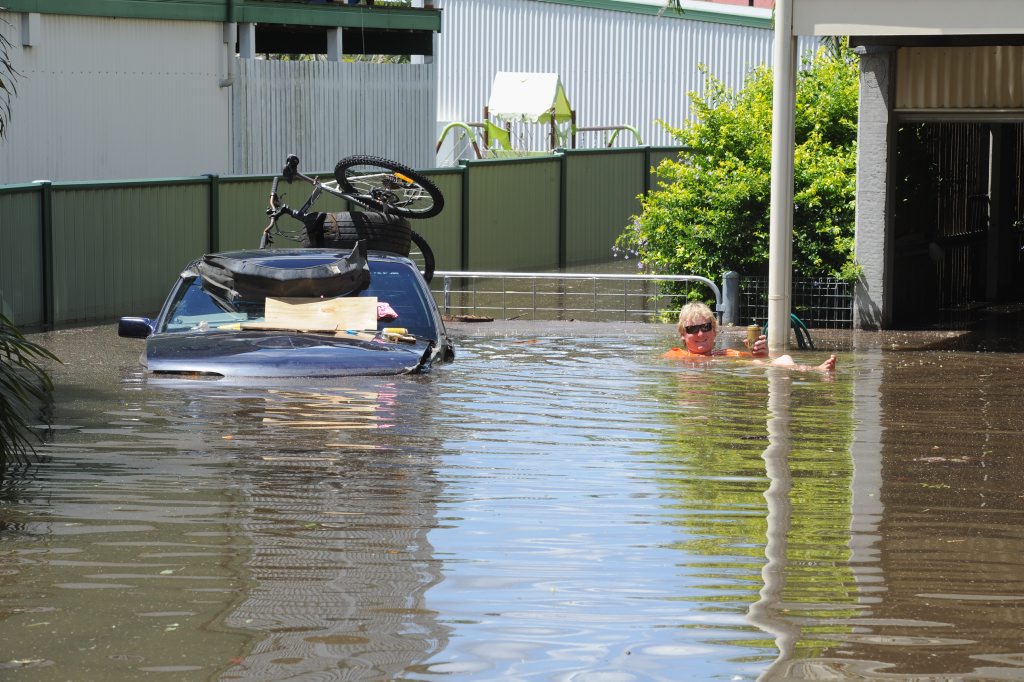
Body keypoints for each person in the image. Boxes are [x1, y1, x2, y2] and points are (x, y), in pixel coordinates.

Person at [664, 302, 837, 371]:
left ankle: (817, 370)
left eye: (705, 327)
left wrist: (762, 354)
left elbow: (764, 363)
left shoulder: (729, 354)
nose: (700, 333)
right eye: (693, 329)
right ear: (682, 335)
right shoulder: (675, 355)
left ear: (714, 330)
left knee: (784, 357)